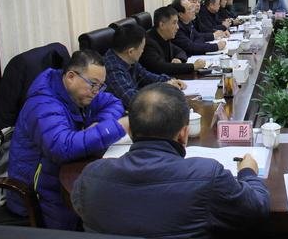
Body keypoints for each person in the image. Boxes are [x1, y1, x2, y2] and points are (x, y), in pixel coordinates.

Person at [71, 83, 270, 238]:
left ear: (130, 131)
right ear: (183, 134)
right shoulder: (207, 175)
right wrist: (248, 172)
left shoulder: (90, 176)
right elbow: (257, 209)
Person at [7, 50, 129, 230]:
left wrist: (100, 124)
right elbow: (62, 148)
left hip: (63, 178)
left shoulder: (80, 93)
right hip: (39, 197)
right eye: (93, 84)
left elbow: (114, 103)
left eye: (100, 86)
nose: (96, 91)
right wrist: (114, 127)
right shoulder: (42, 105)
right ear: (71, 77)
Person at [104, 24, 185, 109]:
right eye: (142, 48)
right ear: (131, 51)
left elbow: (145, 75)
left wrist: (169, 81)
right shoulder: (112, 69)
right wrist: (163, 88)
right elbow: (132, 99)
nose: (143, 51)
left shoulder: (128, 58)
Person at [140, 6, 205, 75]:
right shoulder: (148, 43)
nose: (177, 27)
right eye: (174, 23)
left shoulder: (165, 37)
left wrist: (179, 59)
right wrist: (193, 66)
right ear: (162, 25)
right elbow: (161, 68)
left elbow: (180, 51)